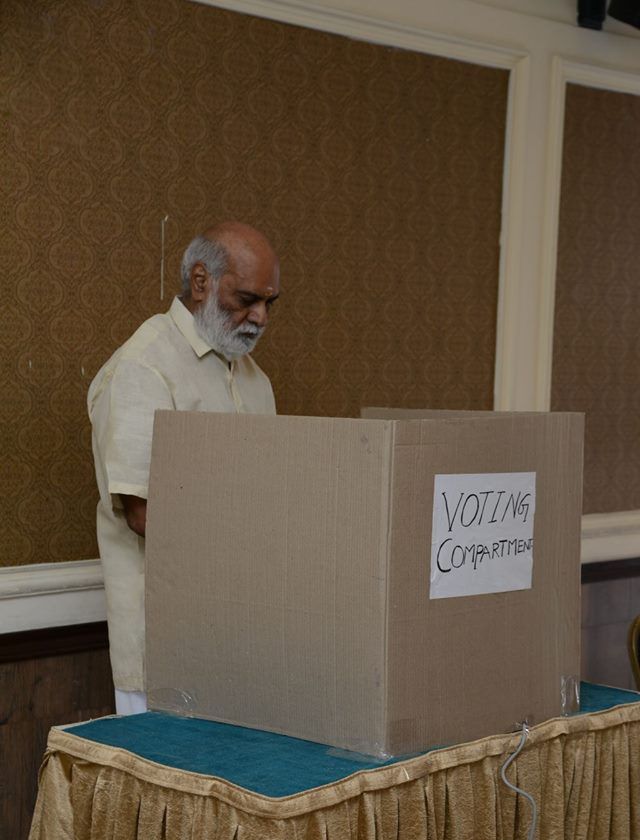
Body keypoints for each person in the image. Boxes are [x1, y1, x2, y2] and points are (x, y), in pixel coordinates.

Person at [88, 222, 280, 715]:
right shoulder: (144, 367)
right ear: (201, 282)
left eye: (269, 303)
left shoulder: (254, 380)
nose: (259, 317)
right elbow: (142, 513)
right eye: (246, 299)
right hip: (166, 644)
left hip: (242, 635)